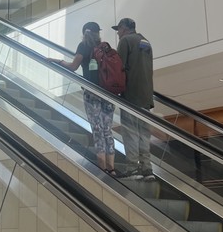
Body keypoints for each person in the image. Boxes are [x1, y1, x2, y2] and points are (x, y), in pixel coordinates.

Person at [50, 22, 116, 176]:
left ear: (84, 33)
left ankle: (102, 168)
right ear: (97, 33)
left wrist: (57, 61)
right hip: (108, 94)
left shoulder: (83, 46)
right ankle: (112, 169)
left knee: (97, 130)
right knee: (107, 130)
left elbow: (73, 66)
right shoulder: (105, 46)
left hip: (92, 93)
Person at [113, 17, 154, 180]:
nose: (117, 33)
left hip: (131, 95)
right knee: (144, 133)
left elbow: (118, 68)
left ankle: (132, 167)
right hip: (146, 96)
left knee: (130, 132)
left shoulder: (125, 41)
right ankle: (146, 168)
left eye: (118, 30)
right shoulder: (146, 41)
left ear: (124, 28)